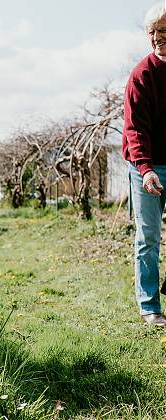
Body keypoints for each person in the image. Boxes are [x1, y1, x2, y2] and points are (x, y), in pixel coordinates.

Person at [123, 1, 166, 326]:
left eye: (162, 31)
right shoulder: (142, 75)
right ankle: (150, 306)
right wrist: (145, 168)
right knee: (148, 237)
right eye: (151, 32)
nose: (156, 38)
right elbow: (135, 128)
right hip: (147, 167)